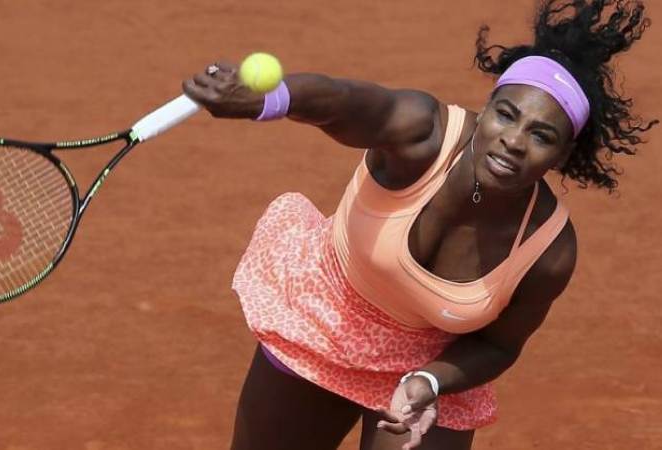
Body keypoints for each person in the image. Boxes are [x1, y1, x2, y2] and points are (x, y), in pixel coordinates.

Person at [182, 1, 657, 449]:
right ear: (486, 108)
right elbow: (345, 102)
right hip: (326, 320)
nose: (513, 141)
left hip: (429, 365)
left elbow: (498, 344)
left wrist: (429, 380)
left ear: (563, 154)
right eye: (506, 115)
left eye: (541, 135)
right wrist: (272, 99)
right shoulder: (424, 133)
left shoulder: (549, 249)